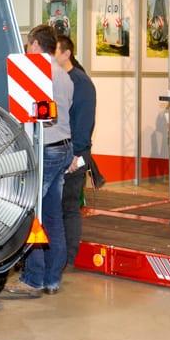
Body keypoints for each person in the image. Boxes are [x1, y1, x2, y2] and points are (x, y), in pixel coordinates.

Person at [5, 24, 74, 298]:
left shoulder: (37, 73)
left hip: (45, 149)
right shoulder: (65, 75)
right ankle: (52, 279)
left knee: (30, 212)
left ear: (35, 45)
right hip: (63, 147)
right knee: (54, 216)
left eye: (28, 44)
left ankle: (33, 279)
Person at [54, 35, 98, 271]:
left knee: (69, 207)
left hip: (74, 156)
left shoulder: (81, 83)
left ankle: (68, 258)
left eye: (54, 51)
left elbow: (84, 123)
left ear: (66, 53)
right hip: (59, 153)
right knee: (57, 208)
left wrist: (77, 154)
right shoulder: (59, 80)